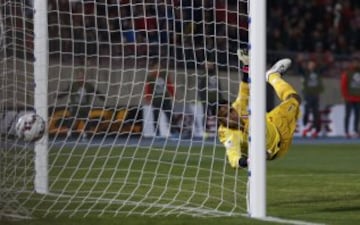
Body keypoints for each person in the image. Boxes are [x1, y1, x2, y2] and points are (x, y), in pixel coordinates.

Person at [217, 50, 301, 169]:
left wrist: (246, 65)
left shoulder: (238, 107)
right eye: (225, 116)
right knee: (260, 147)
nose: (231, 116)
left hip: (273, 121)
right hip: (274, 148)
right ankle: (261, 153)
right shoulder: (228, 134)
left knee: (295, 99)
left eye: (230, 111)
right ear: (220, 121)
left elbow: (244, 89)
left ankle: (272, 76)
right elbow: (233, 157)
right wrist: (247, 162)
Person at [58, 68, 105, 138]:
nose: (81, 78)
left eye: (82, 77)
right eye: (79, 77)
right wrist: (59, 96)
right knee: (72, 118)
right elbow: (66, 91)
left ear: (84, 77)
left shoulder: (88, 86)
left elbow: (95, 91)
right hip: (75, 106)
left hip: (84, 107)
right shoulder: (73, 85)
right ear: (77, 77)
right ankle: (69, 132)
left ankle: (86, 133)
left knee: (86, 120)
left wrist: (102, 97)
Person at [144, 60, 175, 137]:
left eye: (159, 66)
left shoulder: (164, 74)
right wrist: (148, 97)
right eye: (156, 67)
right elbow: (148, 88)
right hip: (156, 100)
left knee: (170, 116)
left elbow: (169, 84)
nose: (158, 68)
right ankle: (156, 133)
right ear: (153, 68)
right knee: (156, 116)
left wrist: (173, 94)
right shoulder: (150, 77)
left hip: (165, 99)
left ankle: (173, 131)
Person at [300, 60, 324, 138]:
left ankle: (315, 130)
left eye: (313, 64)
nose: (312, 66)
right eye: (310, 64)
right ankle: (304, 128)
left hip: (315, 95)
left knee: (316, 113)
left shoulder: (317, 73)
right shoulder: (305, 73)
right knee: (306, 111)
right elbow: (303, 83)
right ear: (308, 65)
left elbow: (320, 83)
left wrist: (319, 91)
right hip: (308, 95)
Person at [340, 54, 360, 138]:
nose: (357, 64)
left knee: (357, 115)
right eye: (355, 62)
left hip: (358, 98)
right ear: (352, 63)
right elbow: (343, 85)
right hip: (349, 98)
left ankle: (356, 130)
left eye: (358, 63)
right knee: (348, 115)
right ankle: (346, 131)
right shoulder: (347, 73)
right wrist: (346, 96)